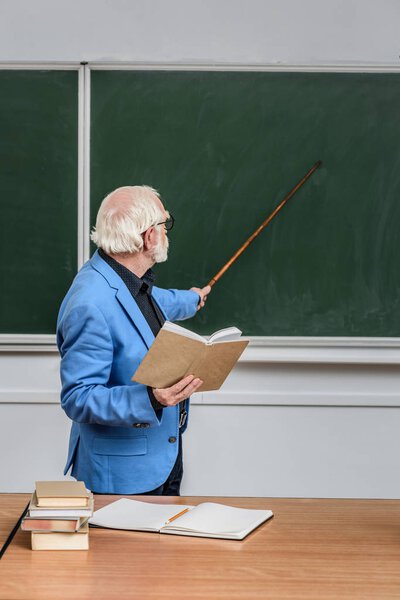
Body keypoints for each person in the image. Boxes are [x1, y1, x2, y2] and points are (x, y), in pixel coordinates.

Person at [57, 185, 210, 495]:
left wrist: (191, 300)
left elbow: (149, 302)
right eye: (163, 225)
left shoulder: (121, 277)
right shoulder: (90, 302)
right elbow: (79, 397)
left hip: (161, 459)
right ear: (147, 237)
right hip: (124, 476)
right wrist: (152, 399)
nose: (166, 233)